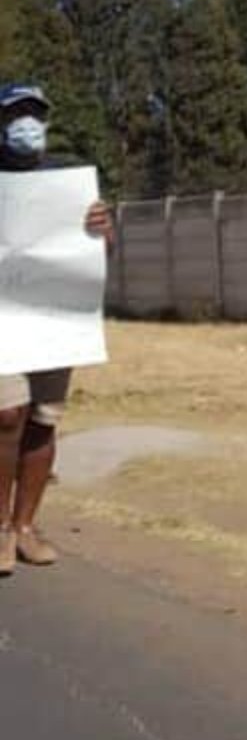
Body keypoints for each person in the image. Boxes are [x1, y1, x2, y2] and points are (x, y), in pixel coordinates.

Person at [0, 82, 113, 575]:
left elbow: (97, 254)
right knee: (6, 416)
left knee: (44, 419)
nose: (27, 124)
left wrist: (102, 232)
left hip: (53, 319)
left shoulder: (68, 179)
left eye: (35, 113)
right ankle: (0, 528)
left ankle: (25, 526)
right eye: (15, 114)